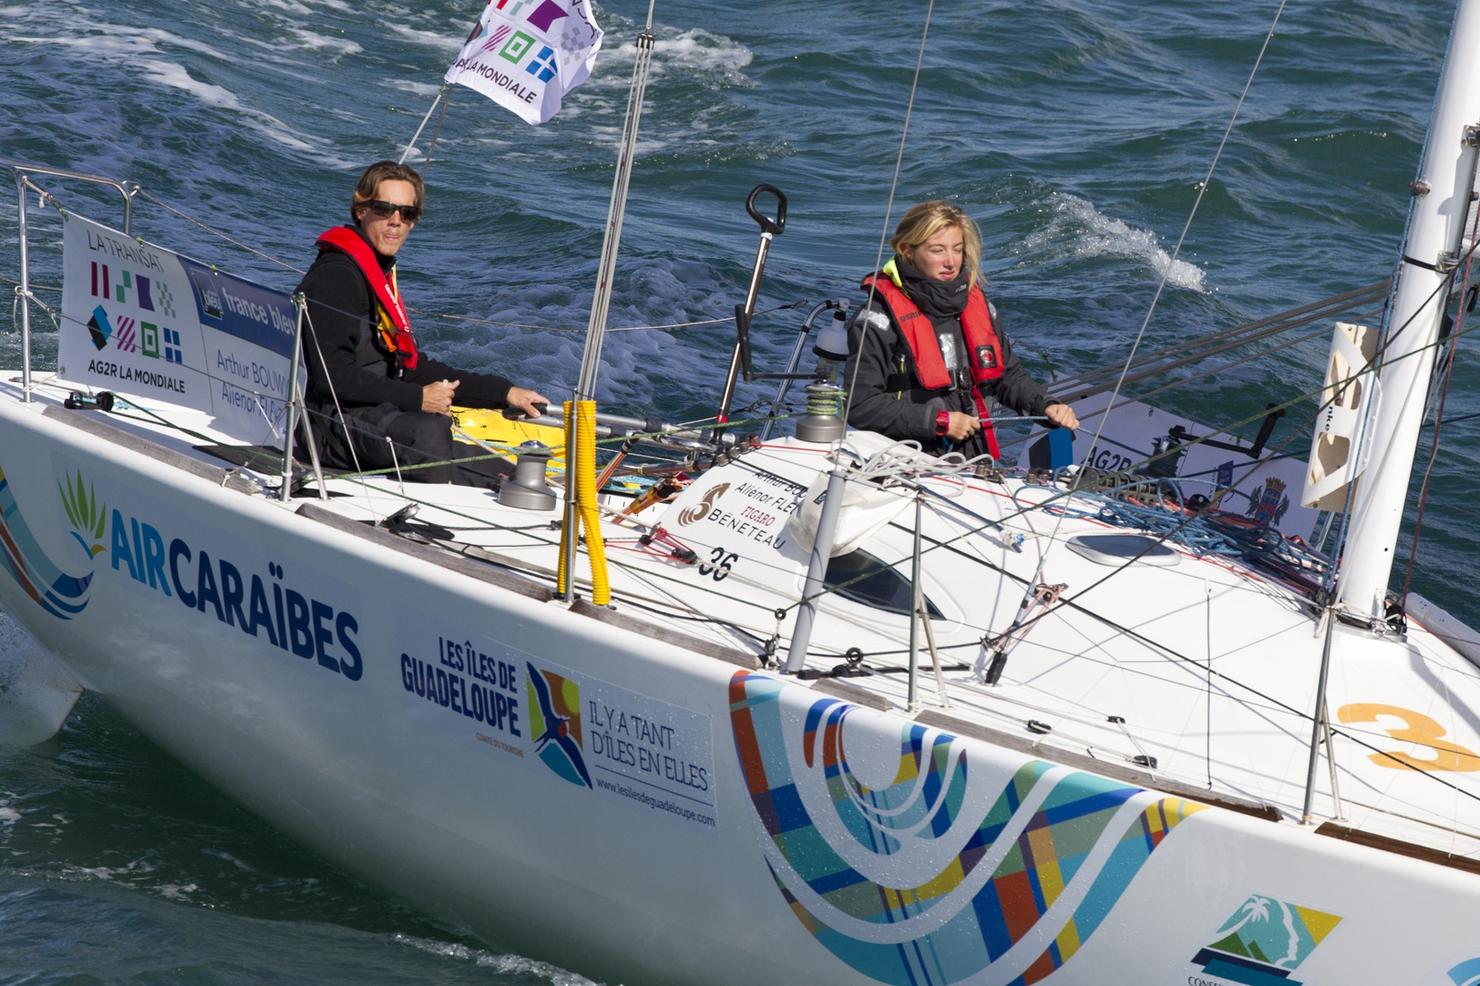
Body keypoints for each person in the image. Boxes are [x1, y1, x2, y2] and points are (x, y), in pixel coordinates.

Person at [295, 160, 548, 488]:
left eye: (407, 213)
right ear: (361, 210)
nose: (395, 221)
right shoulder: (337, 276)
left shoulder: (377, 273)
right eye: (385, 208)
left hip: (375, 420)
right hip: (332, 429)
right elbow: (333, 376)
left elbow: (412, 369)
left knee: (510, 474)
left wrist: (504, 393)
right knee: (428, 431)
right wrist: (417, 399)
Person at [844, 200, 1078, 459]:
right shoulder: (878, 317)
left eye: (957, 250)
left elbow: (1007, 378)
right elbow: (860, 405)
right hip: (903, 459)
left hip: (972, 460)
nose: (950, 262)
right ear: (907, 250)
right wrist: (938, 421)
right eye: (937, 250)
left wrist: (1047, 405)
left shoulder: (978, 305)